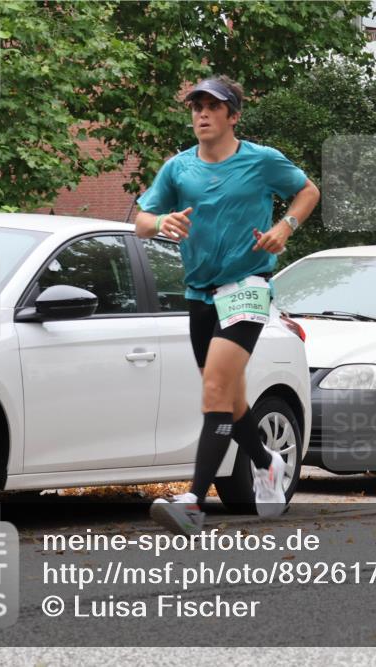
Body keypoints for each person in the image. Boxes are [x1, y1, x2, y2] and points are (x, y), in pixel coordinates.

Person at [134, 75, 320, 535]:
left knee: (215, 390)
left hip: (248, 286)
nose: (201, 114)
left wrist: (286, 227)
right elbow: (139, 221)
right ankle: (266, 463)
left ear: (232, 115)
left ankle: (194, 500)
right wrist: (161, 221)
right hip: (200, 294)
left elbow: (308, 191)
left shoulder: (260, 161)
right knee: (229, 396)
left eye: (212, 107)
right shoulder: (178, 168)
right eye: (196, 106)